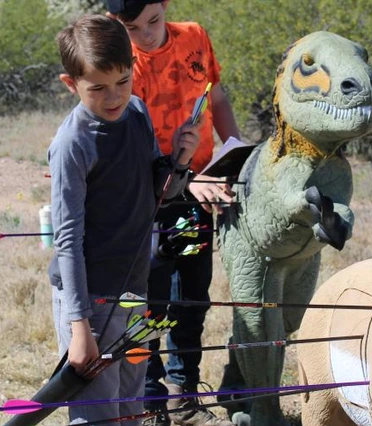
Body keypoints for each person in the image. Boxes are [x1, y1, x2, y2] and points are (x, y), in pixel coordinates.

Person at [49, 14, 199, 425]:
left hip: (135, 293)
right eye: (98, 88)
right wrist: (80, 329)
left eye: (122, 81)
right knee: (98, 413)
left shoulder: (136, 112)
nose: (114, 96)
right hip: (91, 301)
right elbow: (67, 241)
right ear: (71, 84)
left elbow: (160, 191)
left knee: (131, 407)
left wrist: (180, 161)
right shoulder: (72, 145)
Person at [106, 1, 240, 426]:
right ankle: (149, 397)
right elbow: (131, 144)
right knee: (147, 302)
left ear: (165, 6)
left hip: (198, 195)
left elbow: (214, 97)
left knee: (192, 296)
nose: (145, 35)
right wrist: (183, 177)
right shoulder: (118, 62)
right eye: (131, 27)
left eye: (153, 21)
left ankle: (185, 391)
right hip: (146, 198)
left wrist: (233, 150)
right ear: (114, 23)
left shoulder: (194, 36)